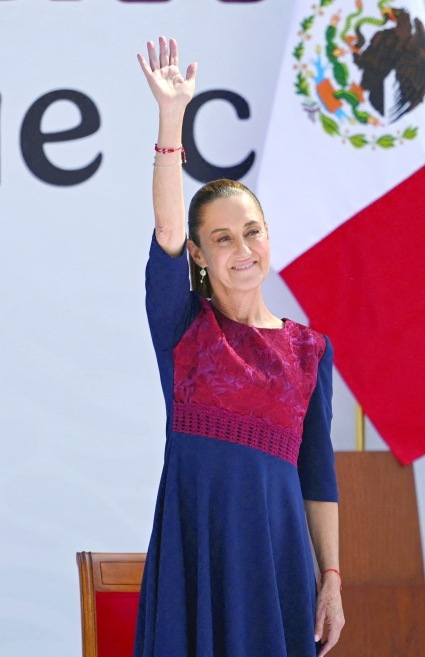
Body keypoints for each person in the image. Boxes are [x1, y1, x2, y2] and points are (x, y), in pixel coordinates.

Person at [133, 36, 345, 657]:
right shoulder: (182, 327)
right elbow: (167, 227)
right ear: (198, 256)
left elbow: (318, 473)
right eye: (222, 239)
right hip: (196, 553)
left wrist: (330, 579)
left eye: (251, 231)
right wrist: (172, 118)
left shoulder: (310, 350)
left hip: (278, 561)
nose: (242, 249)